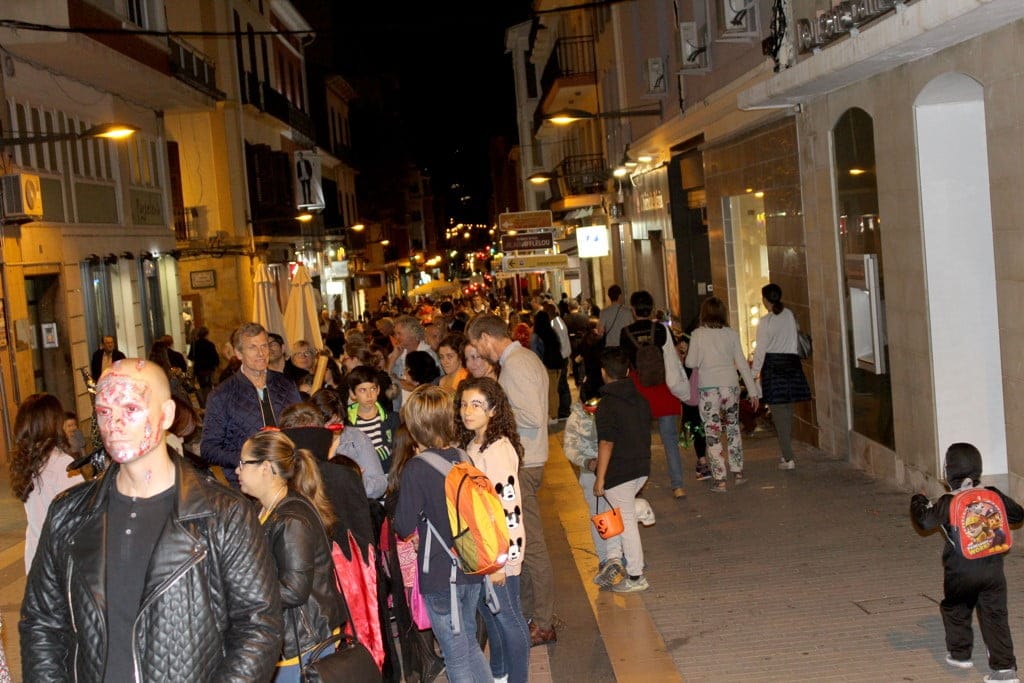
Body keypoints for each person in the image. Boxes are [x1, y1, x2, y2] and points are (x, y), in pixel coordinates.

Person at [20, 358, 283, 681]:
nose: (114, 423)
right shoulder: (68, 514)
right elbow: (42, 622)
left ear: (168, 414)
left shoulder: (223, 514)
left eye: (130, 409)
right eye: (104, 412)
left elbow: (258, 626)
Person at [466, 314, 556, 647]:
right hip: (530, 458)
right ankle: (535, 616)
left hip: (527, 461)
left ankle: (544, 623)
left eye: (478, 346)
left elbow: (533, 415)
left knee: (532, 546)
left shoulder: (516, 364)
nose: (480, 353)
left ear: (487, 337)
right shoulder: (522, 359)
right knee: (527, 542)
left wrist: (497, 410)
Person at [393, 385, 492, 681]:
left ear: (416, 426)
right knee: (470, 645)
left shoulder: (416, 469)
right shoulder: (464, 456)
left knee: (455, 654)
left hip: (439, 572)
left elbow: (403, 524)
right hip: (472, 564)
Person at [911, 443, 1024, 682]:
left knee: (956, 609)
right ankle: (1004, 670)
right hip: (993, 569)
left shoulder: (948, 501)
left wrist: (918, 501)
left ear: (949, 471)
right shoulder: (991, 493)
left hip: (960, 570)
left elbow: (924, 522)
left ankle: (961, 655)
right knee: (995, 616)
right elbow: (1017, 515)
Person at [238, 429, 343, 682]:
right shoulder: (263, 509)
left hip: (303, 641)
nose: (237, 470)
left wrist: (242, 592)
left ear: (265, 468)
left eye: (243, 463)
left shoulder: (291, 519)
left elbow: (294, 590)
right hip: (285, 637)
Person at [455, 377, 531, 683]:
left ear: (493, 410)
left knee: (509, 619)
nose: (467, 411)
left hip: (498, 552)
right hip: (481, 549)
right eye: (463, 404)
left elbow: (507, 507)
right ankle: (499, 673)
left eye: (476, 405)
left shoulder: (497, 449)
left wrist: (503, 559)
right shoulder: (474, 444)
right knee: (491, 614)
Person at [202, 322, 302, 486]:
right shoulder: (222, 395)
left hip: (287, 475)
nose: (261, 353)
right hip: (245, 483)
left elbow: (301, 426)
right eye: (253, 347)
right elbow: (208, 448)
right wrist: (247, 459)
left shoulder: (285, 384)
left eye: (264, 346)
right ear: (238, 353)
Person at [619, 290, 691, 498]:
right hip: (662, 388)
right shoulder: (661, 330)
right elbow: (671, 358)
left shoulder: (625, 332)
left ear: (633, 310)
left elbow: (624, 364)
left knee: (639, 441)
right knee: (669, 438)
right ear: (651, 308)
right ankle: (678, 486)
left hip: (638, 388)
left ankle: (637, 488)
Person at [593, 347, 652, 593]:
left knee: (625, 521)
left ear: (604, 372)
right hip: (641, 467)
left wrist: (600, 478)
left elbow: (606, 443)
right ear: (627, 371)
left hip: (620, 471)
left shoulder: (606, 405)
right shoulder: (639, 399)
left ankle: (637, 576)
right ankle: (614, 558)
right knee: (613, 514)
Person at [686, 297, 760, 492]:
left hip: (708, 388)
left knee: (712, 432)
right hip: (730, 386)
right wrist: (753, 392)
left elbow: (691, 362)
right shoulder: (731, 334)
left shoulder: (697, 334)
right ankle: (738, 471)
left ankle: (720, 479)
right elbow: (742, 364)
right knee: (733, 428)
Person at [9, 394, 84, 572]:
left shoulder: (27, 462)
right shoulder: (61, 463)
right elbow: (80, 514)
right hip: (59, 561)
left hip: (36, 555)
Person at [752, 283, 813, 470]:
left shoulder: (766, 322)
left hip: (774, 368)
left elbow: (760, 350)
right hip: (792, 366)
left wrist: (753, 373)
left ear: (765, 300)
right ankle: (787, 454)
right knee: (787, 411)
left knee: (779, 414)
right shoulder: (789, 315)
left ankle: (788, 457)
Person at [347, 364, 401, 473]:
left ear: (378, 390)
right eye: (362, 390)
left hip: (388, 476)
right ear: (353, 394)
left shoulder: (391, 418)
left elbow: (397, 449)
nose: (369, 395)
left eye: (373, 388)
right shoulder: (347, 422)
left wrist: (366, 458)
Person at [675, 333, 711, 480]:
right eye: (680, 345)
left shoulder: (689, 363)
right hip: (697, 401)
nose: (682, 347)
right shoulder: (698, 360)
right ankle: (702, 461)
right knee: (700, 432)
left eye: (684, 344)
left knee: (700, 432)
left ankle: (703, 462)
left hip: (694, 401)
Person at [530, 309, 564, 424]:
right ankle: (554, 414)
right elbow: (559, 347)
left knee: (549, 392)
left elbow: (535, 354)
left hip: (546, 367)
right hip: (557, 365)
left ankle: (553, 416)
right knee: (554, 391)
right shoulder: (552, 332)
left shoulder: (536, 336)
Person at [188, 326, 221, 401]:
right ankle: (209, 400)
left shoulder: (194, 344)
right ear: (207, 334)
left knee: (202, 386)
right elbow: (215, 357)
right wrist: (216, 365)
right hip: (209, 368)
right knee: (209, 385)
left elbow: (190, 357)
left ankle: (203, 401)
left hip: (199, 369)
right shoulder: (210, 344)